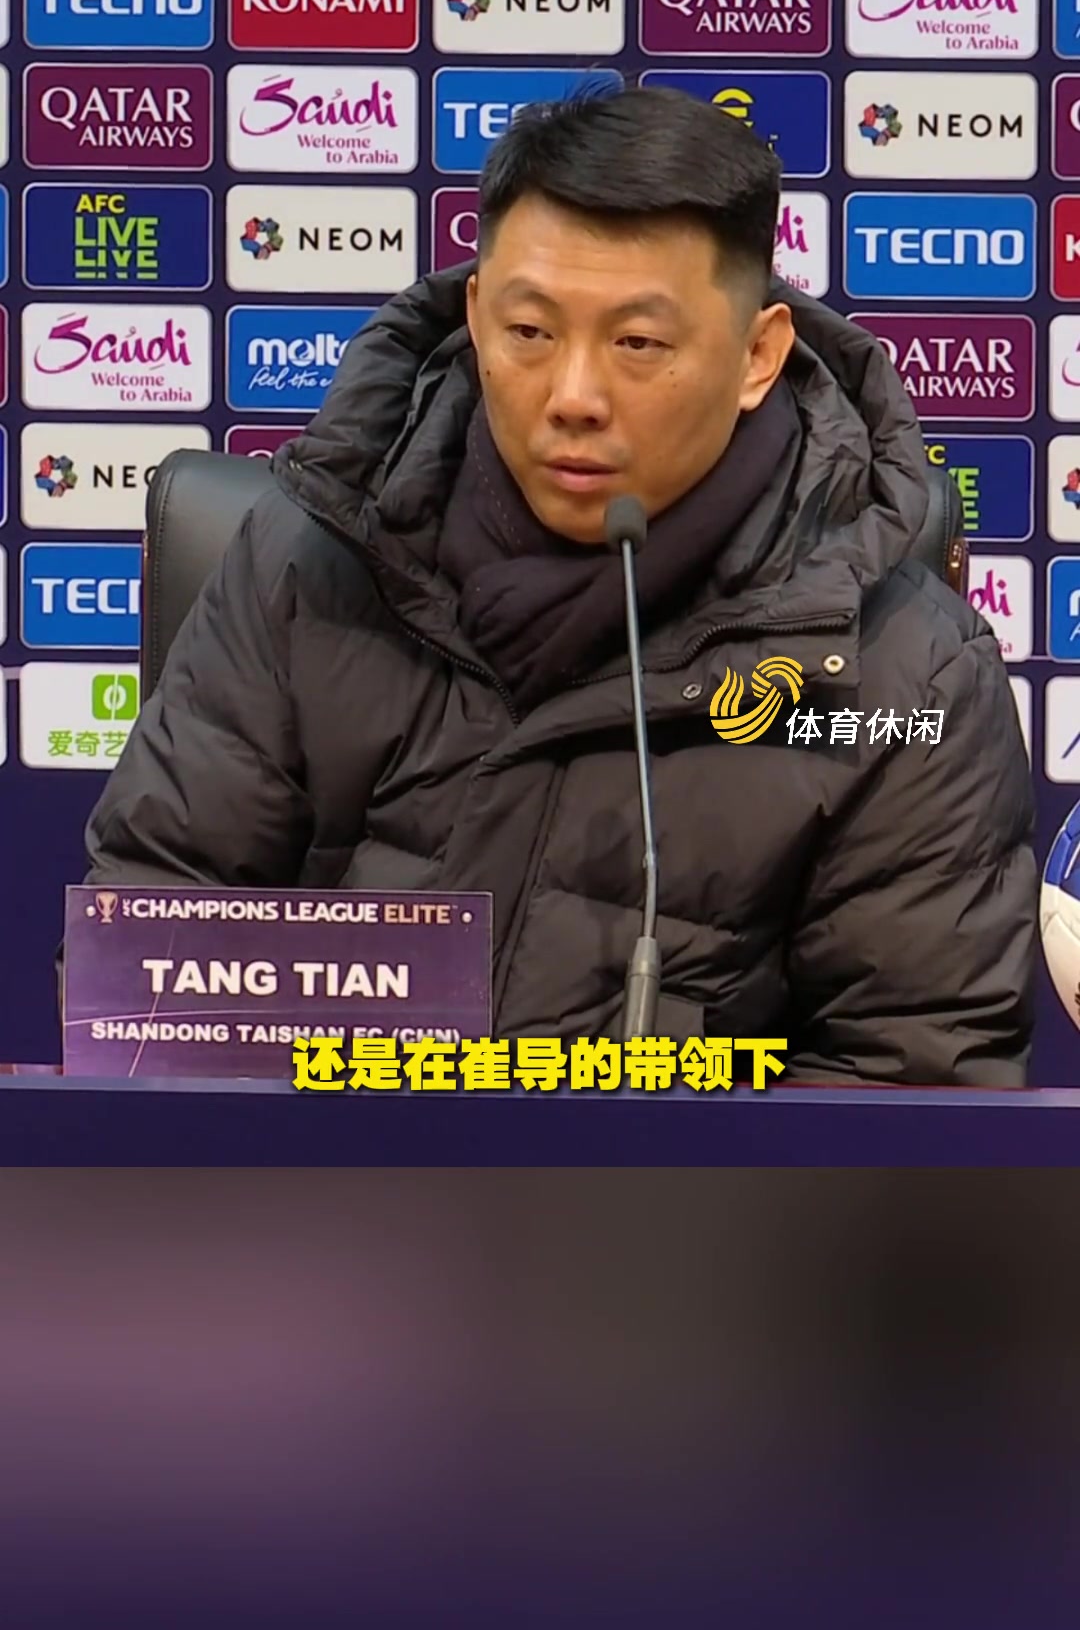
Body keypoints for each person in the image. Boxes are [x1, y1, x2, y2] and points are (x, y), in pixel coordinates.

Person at [84, 86, 1038, 1083]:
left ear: (758, 356)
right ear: (476, 316)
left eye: (638, 345)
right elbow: (146, 974)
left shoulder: (905, 675)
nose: (573, 397)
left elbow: (904, 1095)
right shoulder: (310, 559)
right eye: (530, 333)